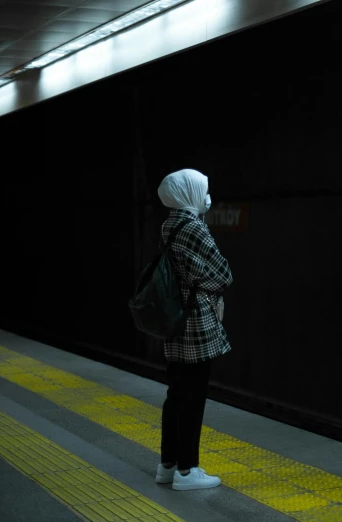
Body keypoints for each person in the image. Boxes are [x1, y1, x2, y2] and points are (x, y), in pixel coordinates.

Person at [153, 168, 233, 491]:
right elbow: (224, 273)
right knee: (193, 395)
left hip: (176, 323)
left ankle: (168, 465)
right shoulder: (193, 228)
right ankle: (188, 471)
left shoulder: (169, 225)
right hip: (196, 323)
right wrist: (210, 282)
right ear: (188, 192)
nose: (206, 195)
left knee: (175, 393)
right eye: (201, 189)